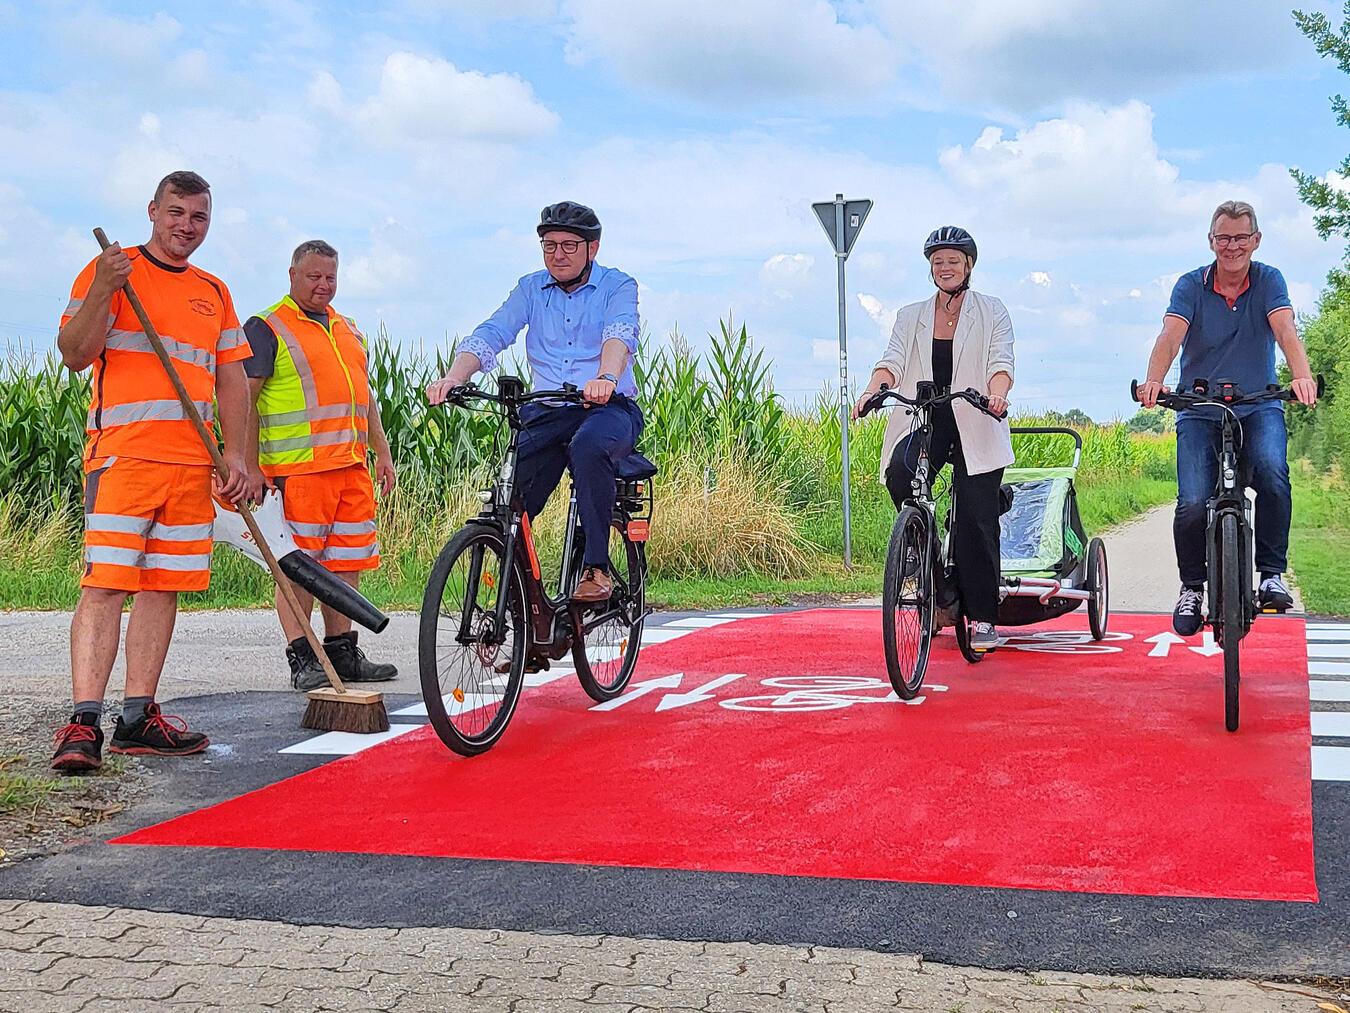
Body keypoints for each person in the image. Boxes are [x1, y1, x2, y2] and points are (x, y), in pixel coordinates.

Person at [51, 170, 259, 773]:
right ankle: (82, 725)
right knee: (107, 583)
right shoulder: (111, 272)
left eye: (197, 217)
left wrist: (237, 456)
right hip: (125, 456)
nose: (185, 226)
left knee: (165, 587)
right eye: (175, 213)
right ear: (152, 210)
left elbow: (230, 379)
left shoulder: (213, 290)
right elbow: (74, 353)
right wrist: (102, 292)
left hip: (193, 464)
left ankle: (138, 717)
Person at [425, 201, 641, 603]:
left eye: (569, 246)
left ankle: (596, 568)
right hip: (548, 408)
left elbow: (620, 333)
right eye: (548, 245)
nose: (557, 255)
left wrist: (606, 376)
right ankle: (520, 603)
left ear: (592, 248)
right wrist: (455, 376)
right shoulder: (530, 288)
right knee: (509, 493)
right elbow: (494, 331)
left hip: (607, 406)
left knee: (589, 447)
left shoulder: (618, 285)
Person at [1137, 200, 1319, 636]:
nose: (1232, 246)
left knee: (1274, 473)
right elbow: (1171, 336)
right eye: (1223, 238)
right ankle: (1192, 587)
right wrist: (1154, 381)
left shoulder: (1269, 280)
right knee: (1193, 500)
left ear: (1255, 240)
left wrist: (1302, 376)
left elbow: (1285, 330)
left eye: (1240, 237)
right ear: (1211, 241)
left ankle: (1271, 574)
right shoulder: (1190, 285)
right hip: (1200, 408)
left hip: (1259, 403)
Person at [241, 240, 398, 691]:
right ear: (293, 276)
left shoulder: (347, 328)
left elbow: (364, 397)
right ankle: (302, 658)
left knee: (345, 563)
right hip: (298, 471)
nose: (323, 285)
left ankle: (342, 651)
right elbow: (246, 400)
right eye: (314, 277)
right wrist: (249, 465)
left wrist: (381, 451)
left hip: (350, 468)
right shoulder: (267, 326)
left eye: (330, 277)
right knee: (300, 568)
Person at [853, 226, 1015, 652]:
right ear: (930, 268)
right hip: (925, 415)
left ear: (969, 265)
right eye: (937, 261)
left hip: (976, 415)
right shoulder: (911, 315)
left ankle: (981, 616)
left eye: (953, 260)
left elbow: (1000, 360)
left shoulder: (992, 310)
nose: (945, 267)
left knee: (976, 519)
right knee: (902, 472)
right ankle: (928, 559)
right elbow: (890, 362)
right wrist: (873, 390)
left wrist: (998, 394)